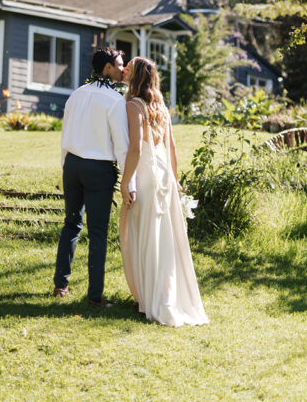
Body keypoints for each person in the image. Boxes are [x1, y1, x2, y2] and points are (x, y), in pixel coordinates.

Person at [119, 56, 208, 326]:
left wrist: (126, 182)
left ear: (135, 77)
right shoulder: (161, 107)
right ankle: (161, 294)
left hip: (146, 175)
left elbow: (135, 148)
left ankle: (150, 298)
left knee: (141, 234)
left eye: (129, 69)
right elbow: (171, 148)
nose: (124, 71)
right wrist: (176, 180)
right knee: (163, 237)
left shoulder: (134, 105)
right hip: (165, 176)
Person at [53, 47, 133, 308]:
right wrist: (128, 183)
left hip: (72, 165)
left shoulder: (76, 94)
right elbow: (121, 145)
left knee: (71, 224)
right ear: (107, 68)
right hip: (98, 169)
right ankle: (95, 297)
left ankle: (60, 285)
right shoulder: (114, 100)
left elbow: (65, 133)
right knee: (97, 233)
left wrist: (66, 164)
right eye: (120, 64)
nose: (123, 69)